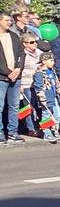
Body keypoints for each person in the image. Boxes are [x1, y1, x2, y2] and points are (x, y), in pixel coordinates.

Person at [0, 12, 25, 144]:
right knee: (0, 106)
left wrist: (18, 69)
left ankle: (13, 132)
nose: (10, 22)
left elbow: (22, 54)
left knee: (14, 106)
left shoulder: (14, 36)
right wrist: (7, 72)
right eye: (6, 20)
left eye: (10, 20)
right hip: (2, 77)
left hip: (16, 76)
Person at [31, 52, 60, 143]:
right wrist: (41, 98)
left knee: (57, 115)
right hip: (46, 99)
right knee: (46, 117)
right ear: (44, 61)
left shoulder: (52, 71)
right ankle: (47, 134)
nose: (53, 62)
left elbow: (55, 83)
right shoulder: (39, 73)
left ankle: (54, 130)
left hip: (54, 97)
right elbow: (38, 87)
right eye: (51, 60)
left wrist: (59, 88)